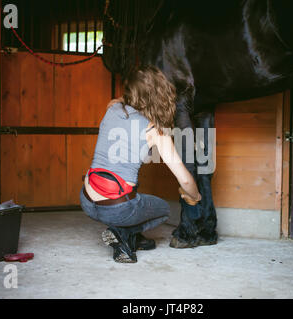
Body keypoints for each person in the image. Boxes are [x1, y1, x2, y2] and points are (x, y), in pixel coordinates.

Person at [80, 65, 202, 263]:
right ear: (159, 95)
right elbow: (185, 181)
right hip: (116, 207)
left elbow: (121, 100)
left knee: (132, 190)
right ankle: (123, 235)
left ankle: (131, 237)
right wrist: (195, 196)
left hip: (87, 199)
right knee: (163, 210)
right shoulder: (154, 130)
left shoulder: (112, 108)